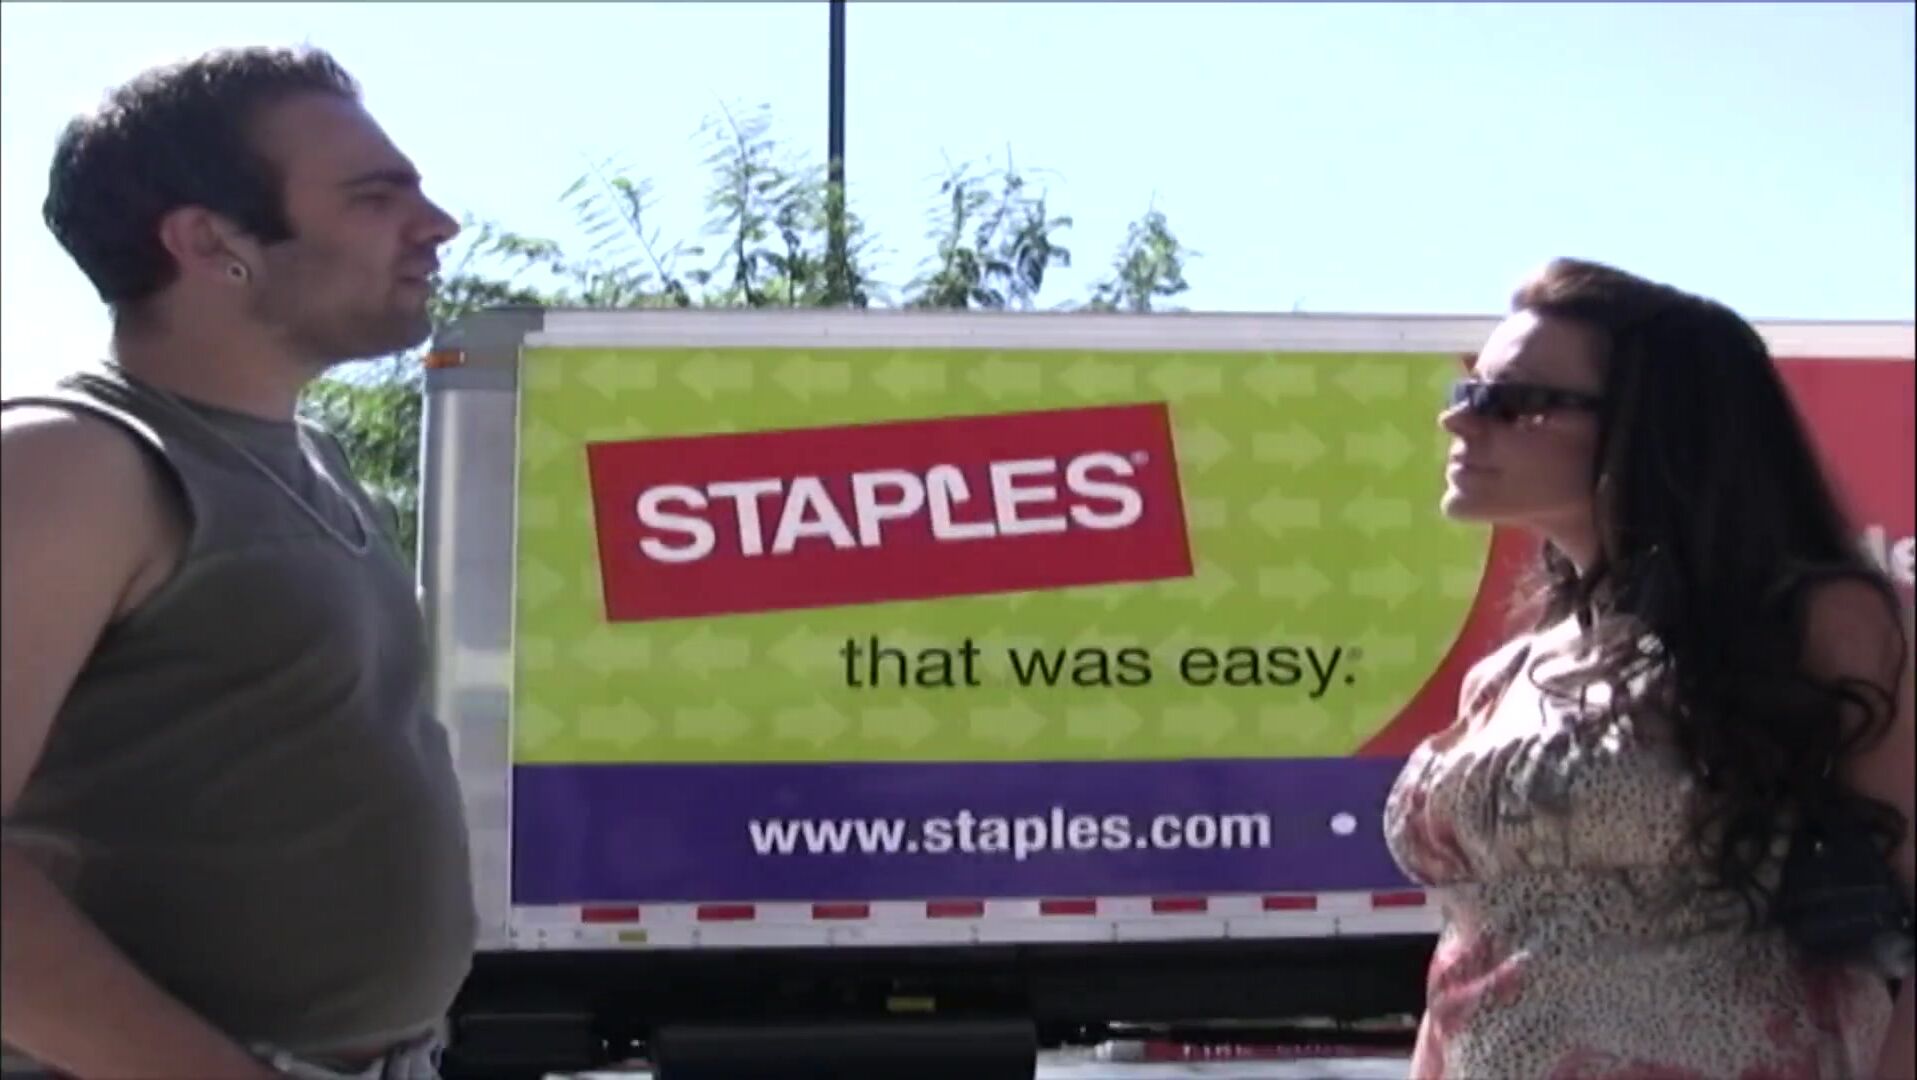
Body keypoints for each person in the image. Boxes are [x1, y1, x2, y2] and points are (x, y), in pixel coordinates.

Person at [0, 46, 472, 1079]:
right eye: (376, 196)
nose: (437, 224)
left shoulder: (319, 464)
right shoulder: (71, 463)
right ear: (211, 242)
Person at [1383, 258, 1914, 1079]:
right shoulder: (1506, 674)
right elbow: (1468, 955)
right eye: (1467, 391)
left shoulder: (1820, 621)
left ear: (1651, 427)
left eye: (1511, 399)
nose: (1458, 420)